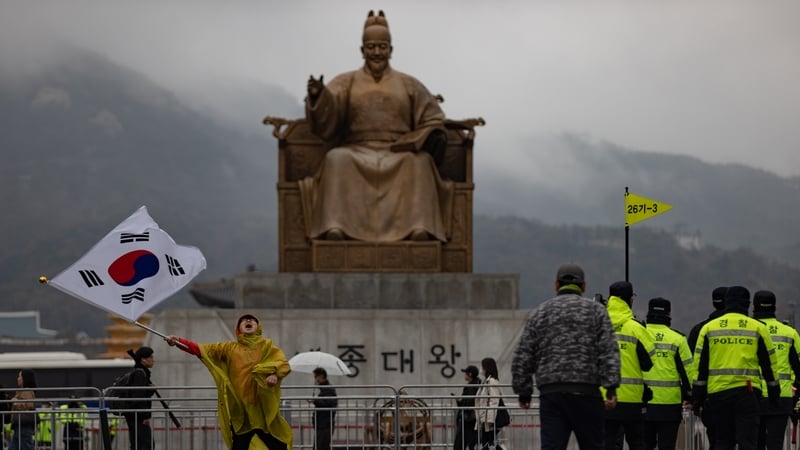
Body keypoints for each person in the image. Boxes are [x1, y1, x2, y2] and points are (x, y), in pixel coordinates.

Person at [301, 10, 454, 243]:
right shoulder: (346, 81)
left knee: (420, 163)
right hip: (356, 149)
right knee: (336, 159)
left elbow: (433, 117)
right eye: (371, 47)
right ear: (362, 50)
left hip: (398, 151)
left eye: (382, 47)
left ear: (391, 50)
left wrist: (425, 135)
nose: (376, 53)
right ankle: (335, 227)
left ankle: (420, 228)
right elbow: (328, 112)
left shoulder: (409, 84)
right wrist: (318, 96)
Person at [512, 263, 620, 450]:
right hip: (588, 393)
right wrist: (610, 387)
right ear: (583, 286)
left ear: (556, 284)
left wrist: (524, 391)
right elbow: (609, 351)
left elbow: (524, 353)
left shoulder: (541, 312)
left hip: (552, 395)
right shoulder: (596, 311)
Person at [166, 314, 292, 450]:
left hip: (262, 408)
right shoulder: (228, 348)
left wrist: (275, 374)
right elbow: (201, 349)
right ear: (238, 329)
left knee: (278, 444)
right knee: (240, 445)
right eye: (243, 320)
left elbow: (283, 364)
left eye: (253, 320)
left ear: (258, 327)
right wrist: (178, 341)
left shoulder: (268, 347)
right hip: (240, 410)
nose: (248, 321)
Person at [692, 286, 781, 449]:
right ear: (748, 304)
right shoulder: (758, 327)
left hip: (718, 393)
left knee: (722, 441)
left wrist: (697, 399)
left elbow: (700, 367)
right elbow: (769, 365)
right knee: (748, 442)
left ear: (727, 303)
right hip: (747, 392)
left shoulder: (709, 328)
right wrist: (774, 393)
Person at [603, 281, 655, 450]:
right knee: (637, 444)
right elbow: (648, 364)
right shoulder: (636, 328)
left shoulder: (598, 325)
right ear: (630, 300)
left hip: (604, 399)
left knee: (605, 444)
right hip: (632, 401)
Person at [751, 290, 800, 450]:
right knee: (775, 443)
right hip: (782, 397)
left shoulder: (748, 331)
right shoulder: (790, 333)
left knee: (754, 443)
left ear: (753, 307)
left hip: (752, 395)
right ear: (775, 308)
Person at [643, 298, 693, 450]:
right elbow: (689, 372)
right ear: (669, 314)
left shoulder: (638, 334)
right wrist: (691, 397)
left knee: (644, 445)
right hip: (670, 404)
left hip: (642, 402)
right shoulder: (678, 339)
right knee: (667, 445)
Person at [686, 286, 727, 449]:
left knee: (716, 440)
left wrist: (696, 399)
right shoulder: (746, 328)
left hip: (711, 397)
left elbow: (693, 367)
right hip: (742, 394)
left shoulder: (700, 329)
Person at [123, 347, 157, 450]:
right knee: (146, 444)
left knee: (137, 444)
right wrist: (145, 416)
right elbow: (138, 397)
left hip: (134, 414)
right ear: (143, 359)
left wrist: (149, 390)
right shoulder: (140, 374)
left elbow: (140, 393)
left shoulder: (139, 372)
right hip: (138, 416)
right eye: (150, 357)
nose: (153, 359)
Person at [474, 358, 502, 450]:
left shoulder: (491, 381)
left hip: (489, 420)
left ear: (486, 367)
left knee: (489, 444)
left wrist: (490, 420)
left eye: (482, 366)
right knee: (488, 444)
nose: (480, 368)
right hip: (485, 419)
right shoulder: (486, 381)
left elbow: (494, 401)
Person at [453, 365, 481, 450]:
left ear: (470, 374)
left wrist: (460, 400)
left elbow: (470, 402)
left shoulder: (471, 387)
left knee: (459, 444)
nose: (464, 375)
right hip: (472, 419)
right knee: (470, 443)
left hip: (468, 419)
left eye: (465, 373)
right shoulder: (477, 384)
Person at [8, 370, 37, 450]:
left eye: (20, 376)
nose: (18, 378)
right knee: (13, 447)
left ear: (25, 378)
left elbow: (29, 404)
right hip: (20, 424)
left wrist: (15, 402)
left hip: (23, 425)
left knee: (27, 447)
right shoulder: (22, 390)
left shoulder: (27, 391)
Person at [310, 367, 338, 450]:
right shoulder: (324, 389)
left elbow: (328, 403)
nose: (315, 379)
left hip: (325, 424)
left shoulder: (328, 389)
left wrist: (315, 401)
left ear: (321, 376)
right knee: (322, 446)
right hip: (323, 424)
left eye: (316, 377)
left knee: (320, 446)